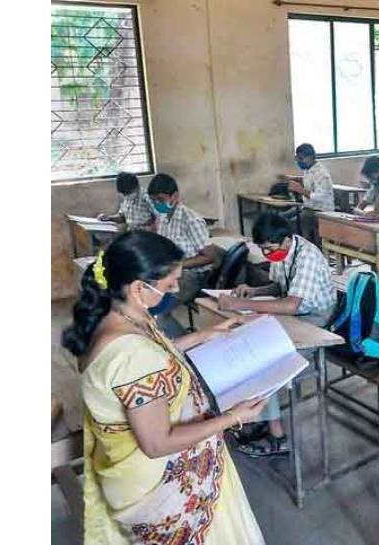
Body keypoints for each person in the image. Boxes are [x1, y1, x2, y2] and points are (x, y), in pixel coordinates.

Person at [61, 230, 266, 545]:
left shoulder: (115, 315)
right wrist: (233, 417)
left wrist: (203, 336)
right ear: (138, 288)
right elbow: (157, 443)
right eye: (170, 284)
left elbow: (156, 353)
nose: (176, 290)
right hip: (157, 482)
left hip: (133, 468)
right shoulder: (133, 356)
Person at [218, 213, 337, 456]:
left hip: (316, 320)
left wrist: (239, 304)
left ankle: (277, 435)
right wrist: (253, 292)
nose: (266, 254)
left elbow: (292, 304)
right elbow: (279, 288)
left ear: (286, 240)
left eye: (269, 249)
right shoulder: (280, 252)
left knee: (265, 360)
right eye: (263, 249)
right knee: (246, 344)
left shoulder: (307, 257)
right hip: (296, 314)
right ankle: (258, 415)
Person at [147, 173, 217, 338]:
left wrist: (178, 265)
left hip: (192, 276)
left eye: (160, 199)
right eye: (153, 200)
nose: (157, 204)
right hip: (169, 272)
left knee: (158, 312)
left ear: (175, 196)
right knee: (142, 301)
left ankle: (187, 347)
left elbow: (209, 256)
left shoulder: (190, 220)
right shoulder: (163, 218)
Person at [279, 143, 335, 242]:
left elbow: (322, 197)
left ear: (311, 157)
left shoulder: (322, 173)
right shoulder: (309, 169)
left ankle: (300, 245)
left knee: (293, 223)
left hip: (320, 211)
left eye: (301, 158)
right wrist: (293, 178)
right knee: (281, 217)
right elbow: (308, 179)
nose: (299, 161)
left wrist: (300, 190)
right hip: (307, 206)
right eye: (297, 158)